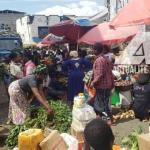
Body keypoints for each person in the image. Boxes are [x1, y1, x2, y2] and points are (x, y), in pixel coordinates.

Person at [91, 43, 114, 122]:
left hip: (102, 86)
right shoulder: (105, 58)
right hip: (107, 85)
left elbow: (99, 74)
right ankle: (108, 119)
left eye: (93, 49)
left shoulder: (99, 60)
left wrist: (93, 82)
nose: (92, 51)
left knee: (103, 105)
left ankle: (107, 121)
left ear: (96, 50)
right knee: (104, 103)